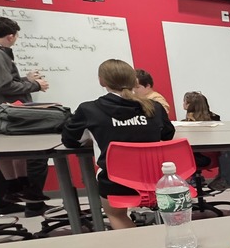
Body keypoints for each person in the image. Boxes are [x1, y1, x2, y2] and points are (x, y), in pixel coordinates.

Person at [62, 59, 176, 229]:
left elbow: (70, 140)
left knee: (115, 214)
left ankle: (136, 246)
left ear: (102, 81)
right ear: (134, 81)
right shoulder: (155, 107)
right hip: (157, 179)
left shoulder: (89, 110)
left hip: (116, 183)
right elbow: (167, 135)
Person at [0, 16, 52, 216]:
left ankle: (15, 189)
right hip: (11, 110)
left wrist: (25, 79)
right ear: (10, 36)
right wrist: (35, 85)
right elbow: (3, 85)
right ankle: (23, 191)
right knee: (28, 152)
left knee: (7, 154)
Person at [182, 91, 220, 170]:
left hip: (203, 158)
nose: (183, 103)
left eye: (184, 101)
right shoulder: (216, 120)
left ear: (189, 105)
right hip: (218, 157)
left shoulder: (185, 125)